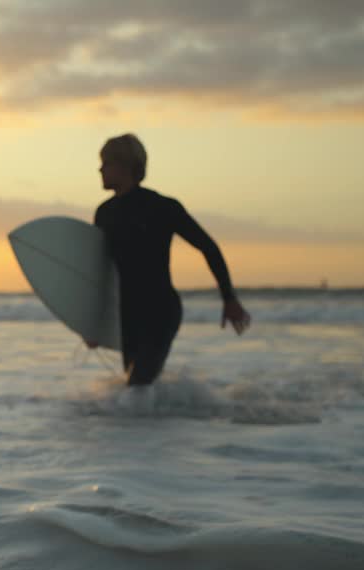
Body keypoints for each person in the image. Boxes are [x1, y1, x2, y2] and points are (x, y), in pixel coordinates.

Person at [93, 134, 250, 386]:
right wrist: (94, 325)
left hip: (160, 310)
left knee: (137, 389)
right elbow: (102, 272)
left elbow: (208, 247)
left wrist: (229, 298)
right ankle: (168, 417)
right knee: (135, 391)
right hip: (128, 315)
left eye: (106, 163)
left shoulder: (162, 207)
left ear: (126, 166)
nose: (100, 169)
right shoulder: (104, 213)